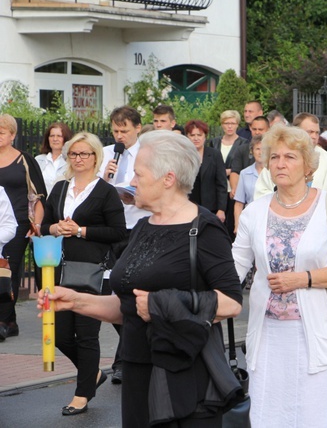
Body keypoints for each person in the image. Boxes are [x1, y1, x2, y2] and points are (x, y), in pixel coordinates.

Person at [39, 131, 243, 427]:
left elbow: (232, 303)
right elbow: (129, 306)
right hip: (137, 366)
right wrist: (76, 301)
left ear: (167, 179)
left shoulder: (205, 229)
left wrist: (164, 303)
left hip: (184, 373)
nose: (132, 182)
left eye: (138, 174)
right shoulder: (145, 227)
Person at [233, 125, 327, 426]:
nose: (280, 163)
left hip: (314, 332)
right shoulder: (255, 211)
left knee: (313, 416)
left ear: (308, 165)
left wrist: (303, 278)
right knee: (268, 415)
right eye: (274, 156)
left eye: (290, 156)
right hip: (267, 335)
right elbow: (235, 265)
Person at [40, 132, 128, 415]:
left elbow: (118, 232)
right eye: (74, 154)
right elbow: (44, 227)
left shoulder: (105, 191)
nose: (78, 159)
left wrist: (80, 230)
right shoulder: (60, 188)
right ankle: (92, 375)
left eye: (84, 154)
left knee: (87, 335)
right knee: (63, 335)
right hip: (61, 270)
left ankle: (82, 394)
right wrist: (56, 228)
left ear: (95, 157)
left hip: (93, 271)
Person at [97, 106, 150, 383]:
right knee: (112, 290)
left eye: (125, 131)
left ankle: (123, 361)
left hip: (141, 226)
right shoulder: (107, 153)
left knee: (132, 291)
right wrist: (106, 176)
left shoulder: (149, 152)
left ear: (138, 128)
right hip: (113, 228)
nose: (119, 136)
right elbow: (94, 192)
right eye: (116, 131)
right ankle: (128, 353)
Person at [0, 114, 46, 341]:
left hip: (16, 225)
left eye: (1, 132)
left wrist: (36, 224)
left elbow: (38, 196)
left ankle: (2, 321)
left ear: (12, 135)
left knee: (8, 271)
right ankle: (11, 320)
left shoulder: (24, 160)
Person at [253, 113, 327, 198]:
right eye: (310, 132)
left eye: (317, 133)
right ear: (296, 131)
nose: (314, 136)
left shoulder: (326, 158)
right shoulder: (277, 153)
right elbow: (261, 191)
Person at [207, 110, 248, 235]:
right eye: (226, 123)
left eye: (233, 123)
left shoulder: (244, 143)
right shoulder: (214, 142)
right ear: (222, 124)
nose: (229, 126)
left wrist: (229, 171)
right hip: (216, 187)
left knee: (230, 223)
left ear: (237, 125)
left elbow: (243, 165)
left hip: (233, 188)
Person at [185, 120, 228, 222]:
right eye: (192, 135)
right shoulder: (183, 156)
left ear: (205, 136)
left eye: (199, 135)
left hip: (211, 208)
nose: (196, 138)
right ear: (187, 136)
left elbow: (221, 183)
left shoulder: (214, 154)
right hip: (188, 206)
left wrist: (221, 209)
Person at [233, 135, 264, 233]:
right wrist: (237, 225)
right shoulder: (244, 173)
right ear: (252, 151)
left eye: (264, 149)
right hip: (250, 220)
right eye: (257, 149)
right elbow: (239, 203)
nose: (260, 152)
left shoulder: (275, 172)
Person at [35, 122, 73, 192]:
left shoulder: (71, 161)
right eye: (52, 136)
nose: (55, 139)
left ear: (66, 138)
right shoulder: (38, 160)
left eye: (59, 136)